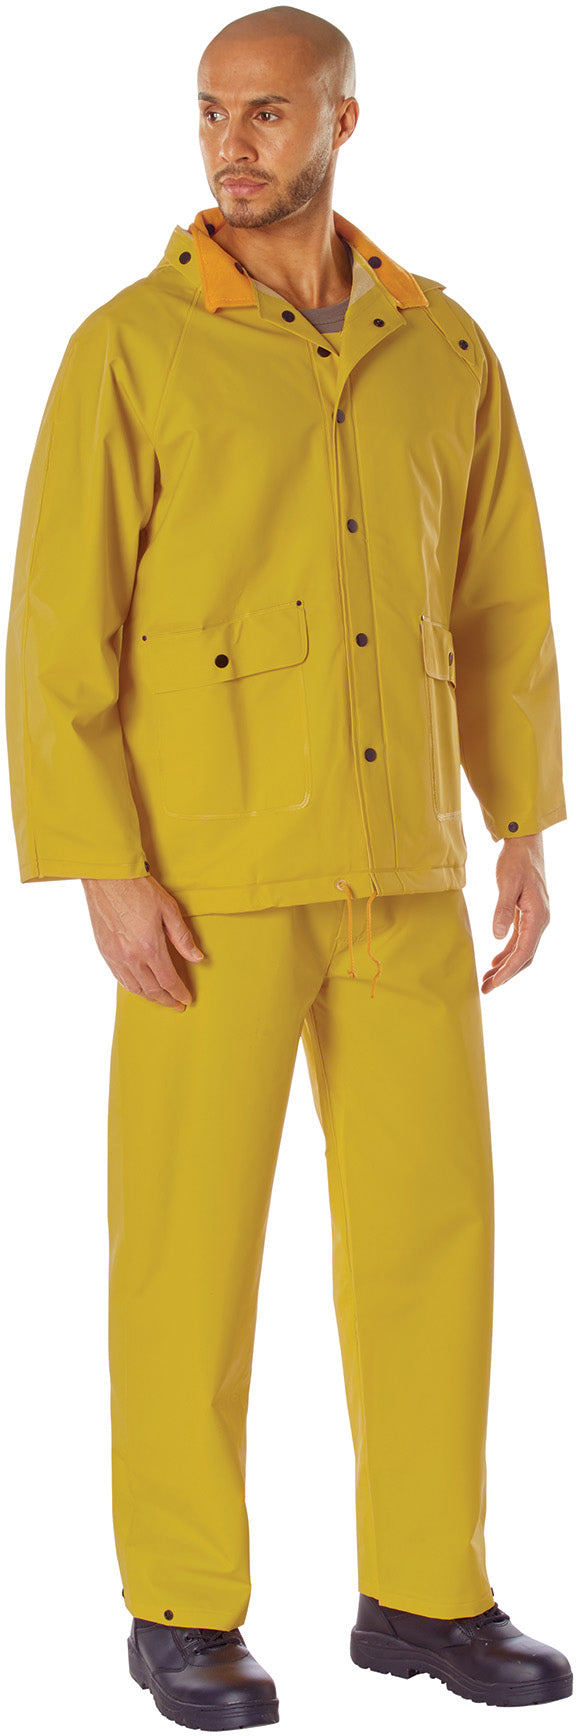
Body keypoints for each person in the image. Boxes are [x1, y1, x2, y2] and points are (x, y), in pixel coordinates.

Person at [5, 2, 572, 1725]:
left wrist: (522, 821)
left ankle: (425, 1591)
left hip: (403, 869)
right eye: (210, 114)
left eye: (265, 113)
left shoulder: (444, 347)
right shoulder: (131, 349)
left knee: (432, 1239)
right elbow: (57, 631)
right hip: (210, 881)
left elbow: (498, 597)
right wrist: (102, 865)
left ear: (342, 121)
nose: (231, 145)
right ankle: (182, 1607)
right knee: (189, 1253)